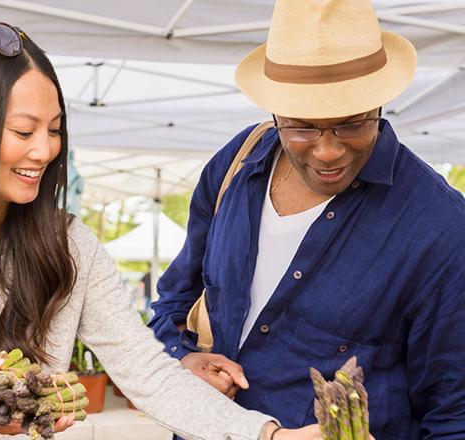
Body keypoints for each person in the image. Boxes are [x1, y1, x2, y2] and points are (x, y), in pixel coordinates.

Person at [0, 23, 319, 440]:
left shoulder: (67, 244)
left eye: (55, 129)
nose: (45, 151)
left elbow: (148, 375)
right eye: (24, 132)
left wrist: (268, 435)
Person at [150, 1, 465, 439]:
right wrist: (182, 357)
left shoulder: (441, 226)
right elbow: (171, 304)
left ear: (381, 101)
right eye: (302, 127)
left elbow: (454, 413)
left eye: (352, 123)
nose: (327, 150)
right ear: (274, 112)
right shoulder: (237, 163)